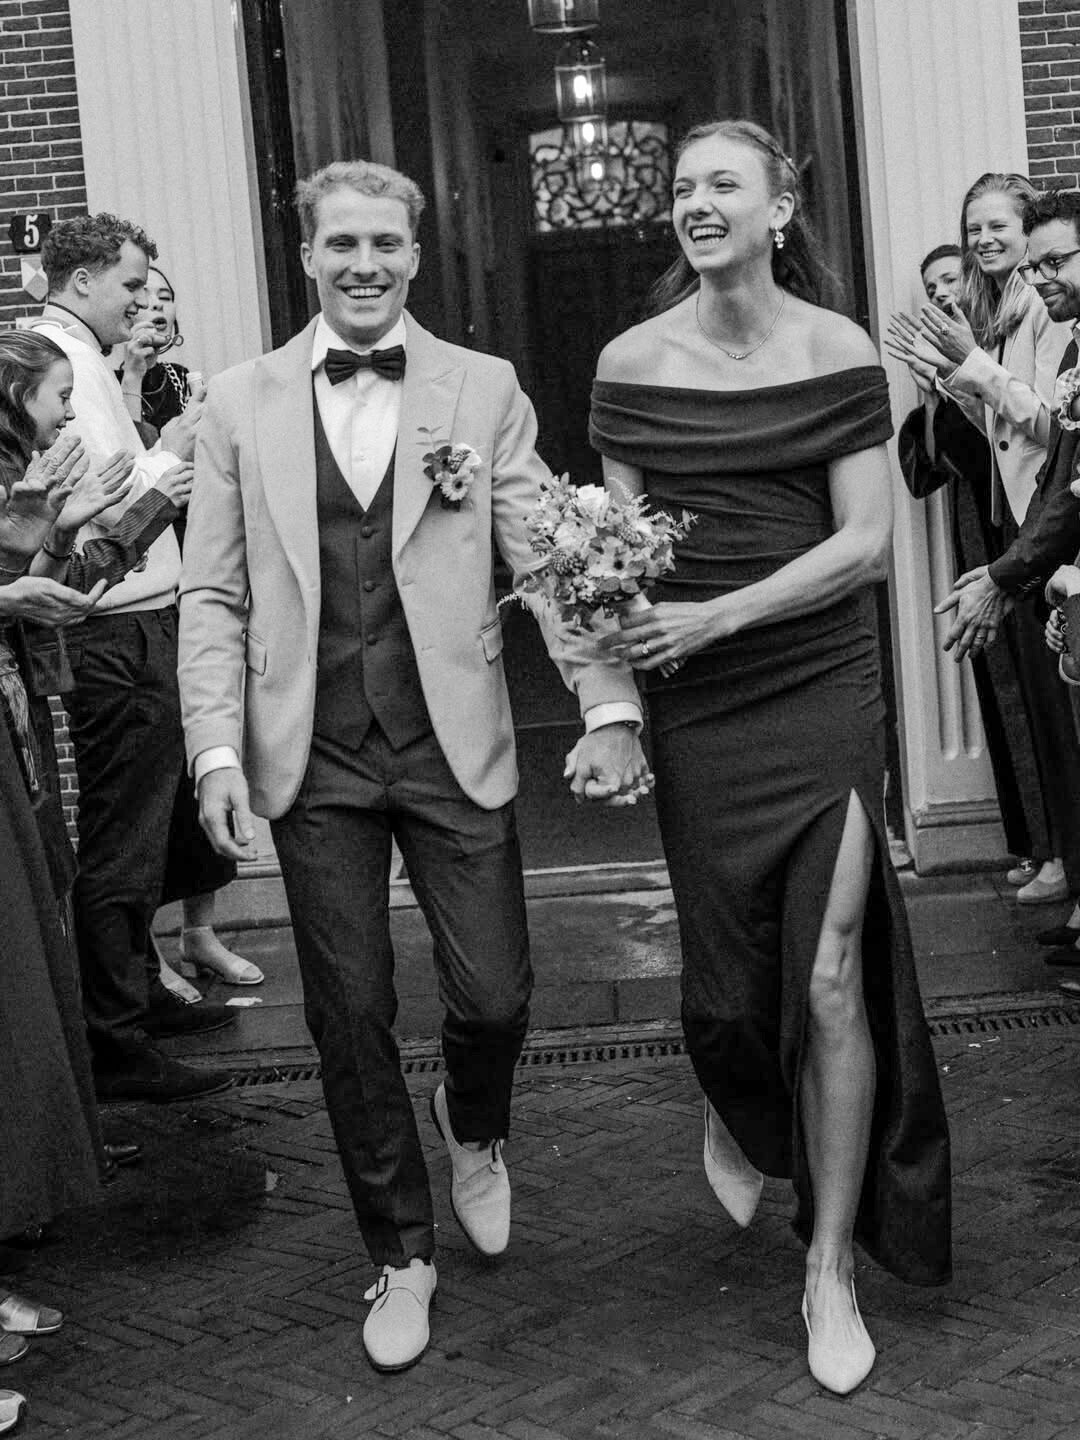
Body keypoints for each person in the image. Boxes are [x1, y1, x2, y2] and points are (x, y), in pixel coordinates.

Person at [177, 158, 649, 1374]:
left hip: (452, 741)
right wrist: (216, 745)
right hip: (313, 750)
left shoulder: (481, 389)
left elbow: (548, 554)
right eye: (343, 244)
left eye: (386, 243)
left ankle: (472, 1121)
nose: (365, 265)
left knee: (494, 996)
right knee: (349, 1015)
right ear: (308, 255)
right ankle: (400, 1253)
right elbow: (213, 592)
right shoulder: (236, 403)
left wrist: (607, 703)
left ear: (418, 255)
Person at [589, 118, 951, 1397]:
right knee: (730, 998)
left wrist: (720, 614)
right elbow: (614, 557)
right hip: (701, 708)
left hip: (818, 685)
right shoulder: (631, 362)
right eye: (682, 187)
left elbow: (866, 546)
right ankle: (742, 1101)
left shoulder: (836, 349)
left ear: (779, 209)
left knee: (831, 976)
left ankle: (830, 1264)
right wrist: (618, 687)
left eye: (722, 184)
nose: (696, 202)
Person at [34, 214, 236, 1103]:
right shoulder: (63, 364)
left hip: (135, 622)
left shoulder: (89, 358)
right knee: (123, 836)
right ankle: (115, 1039)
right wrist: (170, 454)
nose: (141, 300)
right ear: (81, 281)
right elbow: (89, 524)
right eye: (130, 284)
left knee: (146, 831)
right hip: (114, 632)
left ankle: (140, 995)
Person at [887, 174, 1080, 906]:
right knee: (1044, 714)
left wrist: (971, 366)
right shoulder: (998, 308)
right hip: (1022, 523)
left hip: (1051, 526)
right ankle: (1063, 865)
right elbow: (999, 430)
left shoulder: (1047, 306)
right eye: (973, 228)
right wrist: (952, 378)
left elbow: (1048, 426)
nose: (983, 239)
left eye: (997, 225)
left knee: (1061, 715)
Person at [937, 191, 1080, 960]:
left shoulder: (1051, 325)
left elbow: (1052, 440)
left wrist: (1013, 570)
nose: (1041, 275)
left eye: (1055, 260)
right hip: (1040, 541)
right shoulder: (1048, 326)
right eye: (975, 229)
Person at [114, 266, 261, 988]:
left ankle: (201, 933)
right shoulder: (106, 387)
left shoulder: (192, 384)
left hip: (195, 581)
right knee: (149, 793)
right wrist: (129, 377)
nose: (156, 309)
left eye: (167, 299)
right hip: (140, 587)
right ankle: (149, 950)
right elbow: (123, 476)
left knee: (207, 756)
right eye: (143, 299)